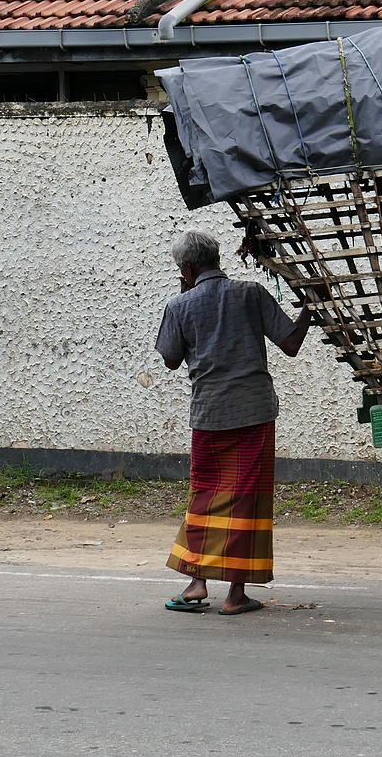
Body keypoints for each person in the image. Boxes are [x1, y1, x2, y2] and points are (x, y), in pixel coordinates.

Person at [155, 229, 314, 616]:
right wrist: (312, 308)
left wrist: (184, 293)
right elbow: (290, 345)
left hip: (208, 415)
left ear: (188, 268)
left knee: (204, 496)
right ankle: (235, 595)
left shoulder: (179, 305)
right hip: (253, 413)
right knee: (246, 501)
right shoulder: (250, 293)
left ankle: (196, 583)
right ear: (216, 257)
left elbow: (171, 359)